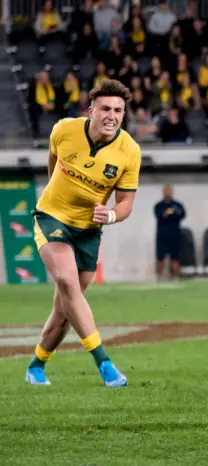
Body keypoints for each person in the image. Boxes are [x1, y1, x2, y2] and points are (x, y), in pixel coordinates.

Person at [25, 79, 140, 387]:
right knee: (66, 279)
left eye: (118, 110)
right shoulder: (64, 130)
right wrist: (53, 192)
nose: (111, 115)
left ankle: (37, 365)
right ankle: (104, 362)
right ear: (92, 110)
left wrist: (111, 214)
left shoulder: (129, 151)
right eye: (105, 108)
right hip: (52, 218)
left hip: (89, 231)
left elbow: (126, 202)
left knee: (65, 307)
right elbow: (54, 159)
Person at [154, 184, 186, 281]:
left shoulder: (178, 205)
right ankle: (158, 277)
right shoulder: (159, 206)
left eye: (170, 191)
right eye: (166, 191)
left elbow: (181, 215)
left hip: (175, 235)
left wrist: (170, 215)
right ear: (163, 192)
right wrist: (171, 215)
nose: (168, 193)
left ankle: (175, 277)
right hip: (162, 235)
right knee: (160, 257)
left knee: (175, 257)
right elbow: (161, 216)